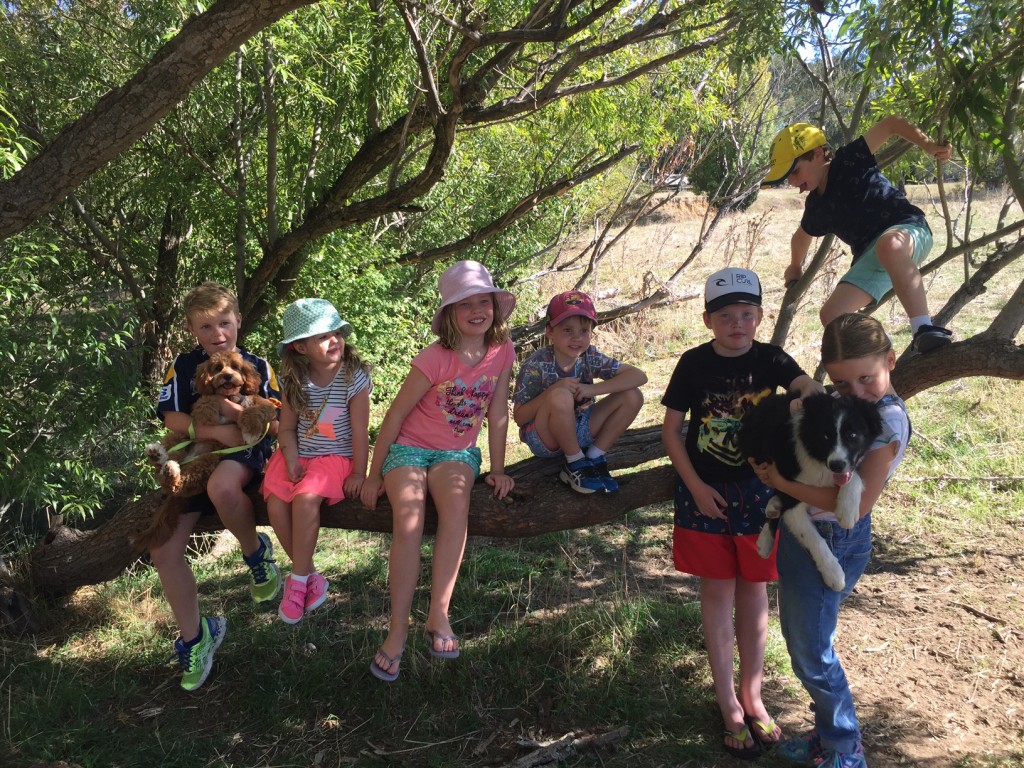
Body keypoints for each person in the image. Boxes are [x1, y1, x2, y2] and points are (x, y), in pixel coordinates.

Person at [661, 267, 822, 760]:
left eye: (747, 314)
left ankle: (753, 695)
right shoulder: (692, 364)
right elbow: (671, 431)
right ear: (707, 318)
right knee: (717, 593)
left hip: (760, 494)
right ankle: (727, 701)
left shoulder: (771, 359)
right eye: (726, 315)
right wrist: (696, 486)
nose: (737, 323)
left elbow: (804, 386)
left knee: (754, 591)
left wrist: (805, 396)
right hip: (703, 495)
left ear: (760, 315)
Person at [749, 313, 911, 768]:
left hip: (830, 535)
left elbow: (851, 504)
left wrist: (780, 480)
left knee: (811, 653)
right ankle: (828, 737)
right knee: (809, 640)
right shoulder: (852, 412)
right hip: (816, 532)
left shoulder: (886, 425)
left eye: (865, 377)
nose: (855, 391)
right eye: (841, 383)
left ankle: (844, 750)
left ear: (891, 361)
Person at [359, 260, 517, 682]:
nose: (477, 310)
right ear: (449, 313)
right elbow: (393, 417)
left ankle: (439, 615)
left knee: (455, 508)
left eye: (484, 301)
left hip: (457, 454)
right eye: (465, 305)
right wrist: (374, 475)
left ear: (495, 307)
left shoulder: (503, 351)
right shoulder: (434, 358)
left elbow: (498, 412)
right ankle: (397, 629)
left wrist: (498, 468)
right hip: (409, 450)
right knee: (408, 520)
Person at [150, 281, 281, 691]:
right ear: (193, 330)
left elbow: (276, 418)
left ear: (238, 320)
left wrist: (233, 420)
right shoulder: (184, 366)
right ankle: (195, 638)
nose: (217, 333)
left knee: (223, 488)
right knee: (162, 548)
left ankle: (255, 553)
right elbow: (170, 418)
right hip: (196, 455)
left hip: (244, 453)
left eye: (224, 323)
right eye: (205, 327)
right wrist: (212, 431)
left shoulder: (258, 362)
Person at [763, 117, 954, 353]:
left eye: (795, 172)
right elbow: (801, 237)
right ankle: (880, 357)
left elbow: (891, 124)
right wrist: (795, 267)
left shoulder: (849, 159)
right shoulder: (817, 206)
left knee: (889, 245)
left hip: (908, 229)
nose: (792, 182)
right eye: (787, 178)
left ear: (818, 153)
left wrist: (928, 145)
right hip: (871, 255)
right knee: (832, 316)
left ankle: (923, 327)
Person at [262, 299, 372, 624]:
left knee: (306, 498)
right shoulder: (295, 379)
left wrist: (359, 472)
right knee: (276, 503)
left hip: (335, 457)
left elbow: (361, 431)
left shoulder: (353, 377)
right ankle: (311, 575)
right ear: (299, 347)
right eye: (322, 336)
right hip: (299, 453)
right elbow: (287, 429)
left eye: (335, 332)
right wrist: (292, 458)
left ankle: (296, 582)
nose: (334, 340)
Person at [512, 290, 647, 494]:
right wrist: (552, 392)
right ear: (550, 331)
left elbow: (639, 376)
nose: (577, 338)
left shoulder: (589, 356)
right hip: (545, 437)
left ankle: (594, 457)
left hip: (581, 428)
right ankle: (574, 464)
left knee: (632, 395)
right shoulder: (536, 364)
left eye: (584, 330)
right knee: (560, 395)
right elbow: (520, 417)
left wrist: (592, 389)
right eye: (567, 330)